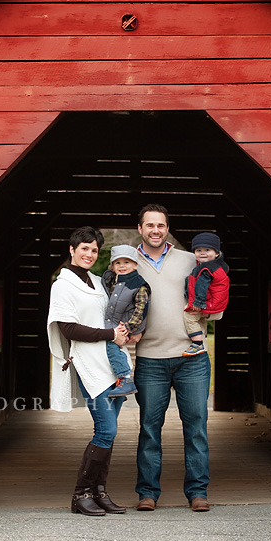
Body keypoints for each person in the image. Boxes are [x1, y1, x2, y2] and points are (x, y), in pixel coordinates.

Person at [132, 204, 212, 512]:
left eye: (161, 225)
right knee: (150, 428)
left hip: (192, 357)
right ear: (140, 228)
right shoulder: (127, 262)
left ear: (167, 228)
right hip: (150, 359)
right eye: (149, 225)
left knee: (196, 427)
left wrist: (212, 311)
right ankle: (148, 492)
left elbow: (218, 287)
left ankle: (198, 492)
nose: (155, 230)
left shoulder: (191, 260)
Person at [47, 226, 129, 516]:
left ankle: (99, 492)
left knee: (109, 432)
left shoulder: (97, 281)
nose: (89, 254)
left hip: (112, 362)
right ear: (72, 249)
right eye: (84, 248)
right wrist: (109, 334)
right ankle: (80, 494)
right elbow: (68, 327)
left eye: (94, 250)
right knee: (106, 429)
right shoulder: (62, 285)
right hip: (87, 362)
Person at [101, 244, 150, 398]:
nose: (122, 266)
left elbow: (141, 308)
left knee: (112, 347)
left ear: (135, 264)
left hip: (125, 326)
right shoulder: (114, 281)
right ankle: (119, 379)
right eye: (118, 263)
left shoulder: (138, 284)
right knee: (114, 351)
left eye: (126, 262)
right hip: (115, 324)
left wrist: (129, 326)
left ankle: (125, 379)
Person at [182, 232, 230, 357]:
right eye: (198, 250)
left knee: (189, 316)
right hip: (215, 303)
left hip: (208, 304)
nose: (202, 253)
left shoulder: (206, 269)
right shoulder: (218, 266)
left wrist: (198, 302)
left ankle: (197, 343)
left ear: (217, 253)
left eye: (207, 250)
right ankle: (200, 338)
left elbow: (202, 286)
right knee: (198, 319)